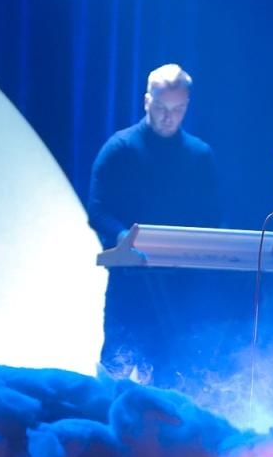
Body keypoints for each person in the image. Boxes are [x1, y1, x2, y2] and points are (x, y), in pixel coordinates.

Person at [87, 63, 221, 383]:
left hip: (179, 287)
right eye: (160, 107)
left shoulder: (200, 156)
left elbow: (212, 217)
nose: (167, 116)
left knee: (169, 373)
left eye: (176, 109)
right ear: (147, 101)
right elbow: (98, 209)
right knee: (115, 372)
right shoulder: (120, 149)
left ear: (186, 106)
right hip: (130, 282)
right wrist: (124, 238)